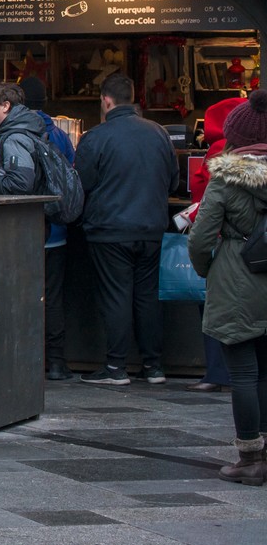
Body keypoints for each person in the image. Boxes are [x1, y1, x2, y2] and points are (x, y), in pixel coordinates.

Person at [0, 82, 77, 379]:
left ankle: (27, 362)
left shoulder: (14, 138)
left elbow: (19, 184)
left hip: (25, 232)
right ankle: (56, 361)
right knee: (50, 298)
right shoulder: (53, 133)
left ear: (7, 106)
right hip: (53, 231)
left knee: (22, 297)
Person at [74, 74, 177, 386]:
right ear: (134, 98)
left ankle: (116, 367)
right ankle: (153, 366)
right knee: (147, 296)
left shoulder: (96, 137)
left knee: (117, 295)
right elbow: (173, 181)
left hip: (110, 229)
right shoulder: (159, 133)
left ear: (106, 101)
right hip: (152, 227)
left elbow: (82, 184)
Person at [189, 90, 267, 483]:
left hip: (237, 280)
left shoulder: (225, 177)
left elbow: (201, 238)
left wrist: (210, 269)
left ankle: (251, 459)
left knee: (244, 374)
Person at [189, 95, 250, 393]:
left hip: (223, 245)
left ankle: (217, 372)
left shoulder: (219, 153)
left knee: (217, 310)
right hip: (254, 250)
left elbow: (204, 199)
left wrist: (202, 266)